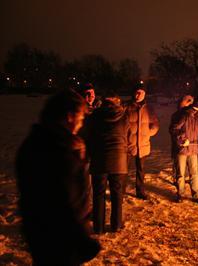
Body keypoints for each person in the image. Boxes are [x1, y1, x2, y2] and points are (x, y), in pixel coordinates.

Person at [16, 89, 100, 265]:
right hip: (61, 241)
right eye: (81, 117)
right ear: (70, 116)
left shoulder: (37, 140)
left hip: (41, 236)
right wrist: (84, 241)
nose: (82, 122)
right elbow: (68, 203)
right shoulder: (61, 150)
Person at [87, 90, 132, 233]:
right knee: (117, 195)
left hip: (99, 160)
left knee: (98, 195)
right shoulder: (124, 116)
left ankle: (98, 228)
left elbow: (90, 137)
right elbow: (128, 137)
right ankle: (116, 225)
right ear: (116, 101)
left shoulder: (95, 116)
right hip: (119, 160)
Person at [171, 96, 198, 204]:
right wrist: (183, 139)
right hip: (182, 150)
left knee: (194, 173)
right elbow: (173, 129)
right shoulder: (185, 115)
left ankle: (196, 195)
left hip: (193, 149)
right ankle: (180, 194)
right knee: (181, 174)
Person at [126, 86, 159, 200]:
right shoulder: (127, 107)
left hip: (143, 145)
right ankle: (120, 192)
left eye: (141, 93)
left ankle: (140, 191)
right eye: (137, 92)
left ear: (144, 94)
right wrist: (126, 136)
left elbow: (155, 125)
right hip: (130, 145)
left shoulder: (149, 108)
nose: (138, 95)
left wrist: (148, 133)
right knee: (124, 171)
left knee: (140, 171)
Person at [169, 95, 194, 180]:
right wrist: (181, 138)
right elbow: (173, 130)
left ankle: (183, 177)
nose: (190, 103)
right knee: (178, 162)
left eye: (191, 101)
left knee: (187, 162)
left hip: (188, 145)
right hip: (179, 144)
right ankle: (177, 178)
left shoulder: (190, 113)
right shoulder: (178, 115)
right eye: (188, 101)